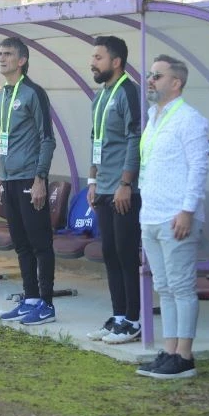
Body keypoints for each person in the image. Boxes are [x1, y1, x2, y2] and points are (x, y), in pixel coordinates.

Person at [134, 55, 209, 379]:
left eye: (157, 76)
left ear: (176, 83)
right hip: (151, 215)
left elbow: (199, 168)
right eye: (150, 75)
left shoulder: (189, 119)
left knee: (181, 286)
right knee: (164, 287)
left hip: (176, 216)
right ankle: (169, 351)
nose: (150, 80)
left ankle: (185, 356)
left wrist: (187, 210)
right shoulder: (153, 117)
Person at [0, 37, 57, 325]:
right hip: (9, 179)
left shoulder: (33, 93)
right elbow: (4, 140)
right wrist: (0, 177)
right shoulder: (2, 95)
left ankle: (47, 304)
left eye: (8, 54)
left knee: (39, 242)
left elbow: (47, 138)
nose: (1, 58)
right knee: (20, 243)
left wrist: (40, 177)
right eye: (0, 54)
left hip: (30, 178)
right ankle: (30, 298)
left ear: (22, 60)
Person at [84, 36, 142, 344]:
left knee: (126, 253)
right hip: (104, 187)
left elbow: (135, 138)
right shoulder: (100, 95)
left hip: (123, 189)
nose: (92, 63)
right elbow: (96, 139)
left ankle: (133, 320)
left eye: (98, 58)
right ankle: (118, 316)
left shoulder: (128, 92)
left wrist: (126, 184)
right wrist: (92, 181)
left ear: (116, 61)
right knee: (110, 252)